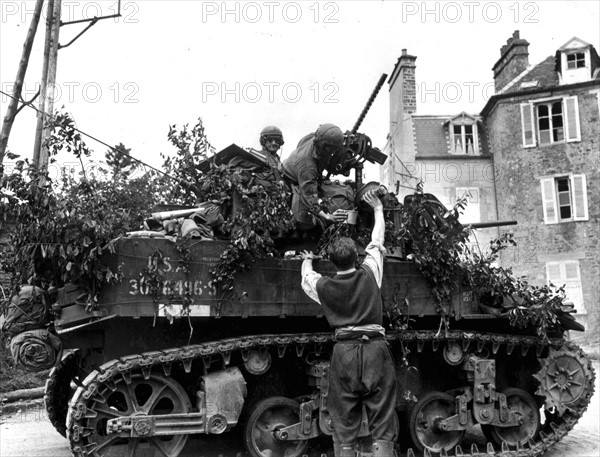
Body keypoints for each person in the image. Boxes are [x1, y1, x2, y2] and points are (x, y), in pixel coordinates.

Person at [300, 189, 399, 457]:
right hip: (375, 350)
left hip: (344, 353)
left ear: (332, 263)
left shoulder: (325, 286)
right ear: (357, 258)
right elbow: (377, 241)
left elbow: (307, 279)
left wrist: (307, 261)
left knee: (344, 421)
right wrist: (378, 209)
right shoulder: (370, 273)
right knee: (383, 417)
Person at [282, 123, 348, 230]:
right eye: (327, 149)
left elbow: (301, 143)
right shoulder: (308, 167)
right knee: (303, 219)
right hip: (290, 178)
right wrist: (327, 216)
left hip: (300, 169)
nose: (330, 152)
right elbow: (309, 197)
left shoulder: (315, 137)